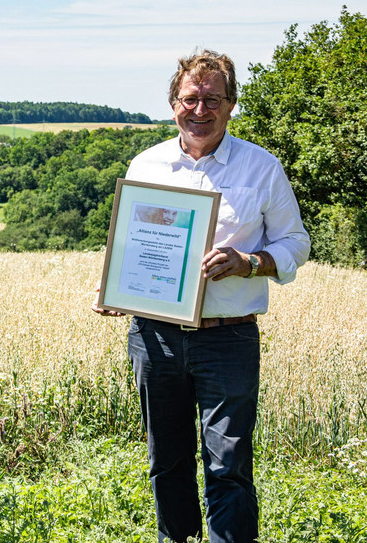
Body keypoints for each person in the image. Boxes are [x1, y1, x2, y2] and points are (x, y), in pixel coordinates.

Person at [93, 50, 310, 542]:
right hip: (154, 337)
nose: (200, 109)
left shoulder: (262, 167)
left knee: (228, 463)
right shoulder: (146, 164)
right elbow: (127, 242)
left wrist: (250, 262)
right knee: (165, 461)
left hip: (227, 340)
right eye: (191, 98)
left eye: (213, 98)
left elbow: (296, 242)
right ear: (173, 104)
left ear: (231, 104)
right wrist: (114, 287)